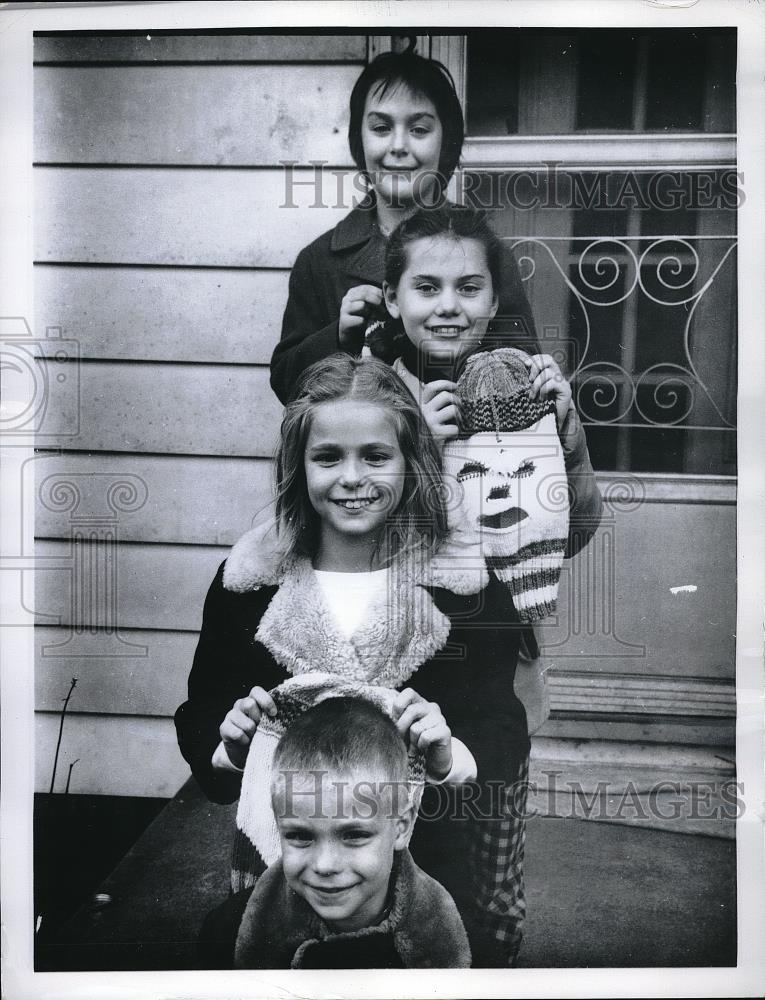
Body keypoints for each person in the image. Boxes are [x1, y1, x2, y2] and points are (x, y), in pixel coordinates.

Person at [269, 48, 539, 405]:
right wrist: (337, 337)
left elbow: (522, 371)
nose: (398, 146)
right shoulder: (320, 261)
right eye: (381, 128)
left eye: (419, 129)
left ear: (446, 141)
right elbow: (287, 385)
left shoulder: (486, 252)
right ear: (358, 139)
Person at [232, 694, 471, 969]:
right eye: (300, 836)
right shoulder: (229, 930)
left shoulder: (460, 942)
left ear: (401, 827)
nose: (325, 865)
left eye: (354, 835)